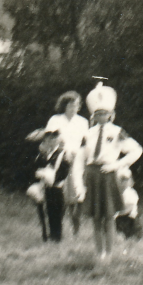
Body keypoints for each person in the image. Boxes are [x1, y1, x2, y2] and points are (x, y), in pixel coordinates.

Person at [82, 81, 142, 263]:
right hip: (92, 175)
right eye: (98, 113)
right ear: (94, 115)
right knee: (95, 218)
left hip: (108, 175)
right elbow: (81, 157)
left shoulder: (117, 132)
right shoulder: (88, 134)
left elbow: (136, 150)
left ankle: (108, 254)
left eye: (105, 113)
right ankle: (98, 253)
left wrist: (116, 165)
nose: (102, 116)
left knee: (108, 216)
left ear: (111, 115)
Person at [43, 91, 89, 236]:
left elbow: (85, 143)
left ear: (79, 107)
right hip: (58, 159)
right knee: (58, 193)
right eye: (69, 105)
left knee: (77, 194)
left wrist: (80, 155)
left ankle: (76, 229)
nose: (73, 108)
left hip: (77, 160)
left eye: (75, 105)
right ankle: (57, 228)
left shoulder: (83, 122)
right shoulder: (55, 120)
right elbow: (48, 140)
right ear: (64, 106)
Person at [29, 130, 70, 242]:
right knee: (48, 210)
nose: (51, 141)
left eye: (54, 139)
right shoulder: (43, 154)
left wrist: (53, 178)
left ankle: (56, 236)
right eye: (49, 139)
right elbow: (35, 167)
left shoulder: (62, 154)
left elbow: (64, 170)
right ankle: (48, 234)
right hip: (45, 187)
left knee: (56, 211)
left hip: (56, 186)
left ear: (58, 140)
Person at [114, 170, 143, 241]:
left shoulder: (131, 193)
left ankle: (134, 234)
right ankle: (120, 235)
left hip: (130, 217)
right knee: (117, 225)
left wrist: (118, 213)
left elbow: (130, 207)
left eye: (126, 180)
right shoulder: (116, 193)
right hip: (120, 217)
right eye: (121, 180)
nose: (124, 182)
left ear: (131, 181)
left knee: (133, 229)